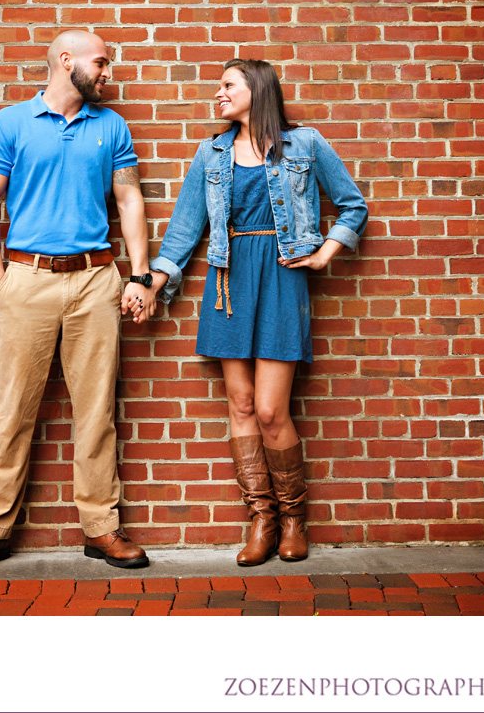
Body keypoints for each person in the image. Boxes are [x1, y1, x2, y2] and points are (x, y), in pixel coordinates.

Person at [0, 30, 159, 573]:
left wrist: (139, 274)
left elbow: (129, 197)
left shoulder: (110, 126)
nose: (107, 71)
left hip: (95, 279)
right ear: (67, 62)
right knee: (14, 409)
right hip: (27, 278)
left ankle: (102, 530)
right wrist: (0, 281)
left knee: (96, 412)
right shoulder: (11, 123)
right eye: (101, 61)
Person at [144, 59, 368, 566]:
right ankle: (262, 519)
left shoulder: (306, 144)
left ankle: (293, 518)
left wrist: (323, 253)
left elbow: (353, 206)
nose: (218, 93)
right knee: (241, 407)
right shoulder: (212, 152)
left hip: (283, 278)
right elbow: (184, 228)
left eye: (228, 85)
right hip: (228, 280)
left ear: (257, 90)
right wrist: (152, 283)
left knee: (270, 410)